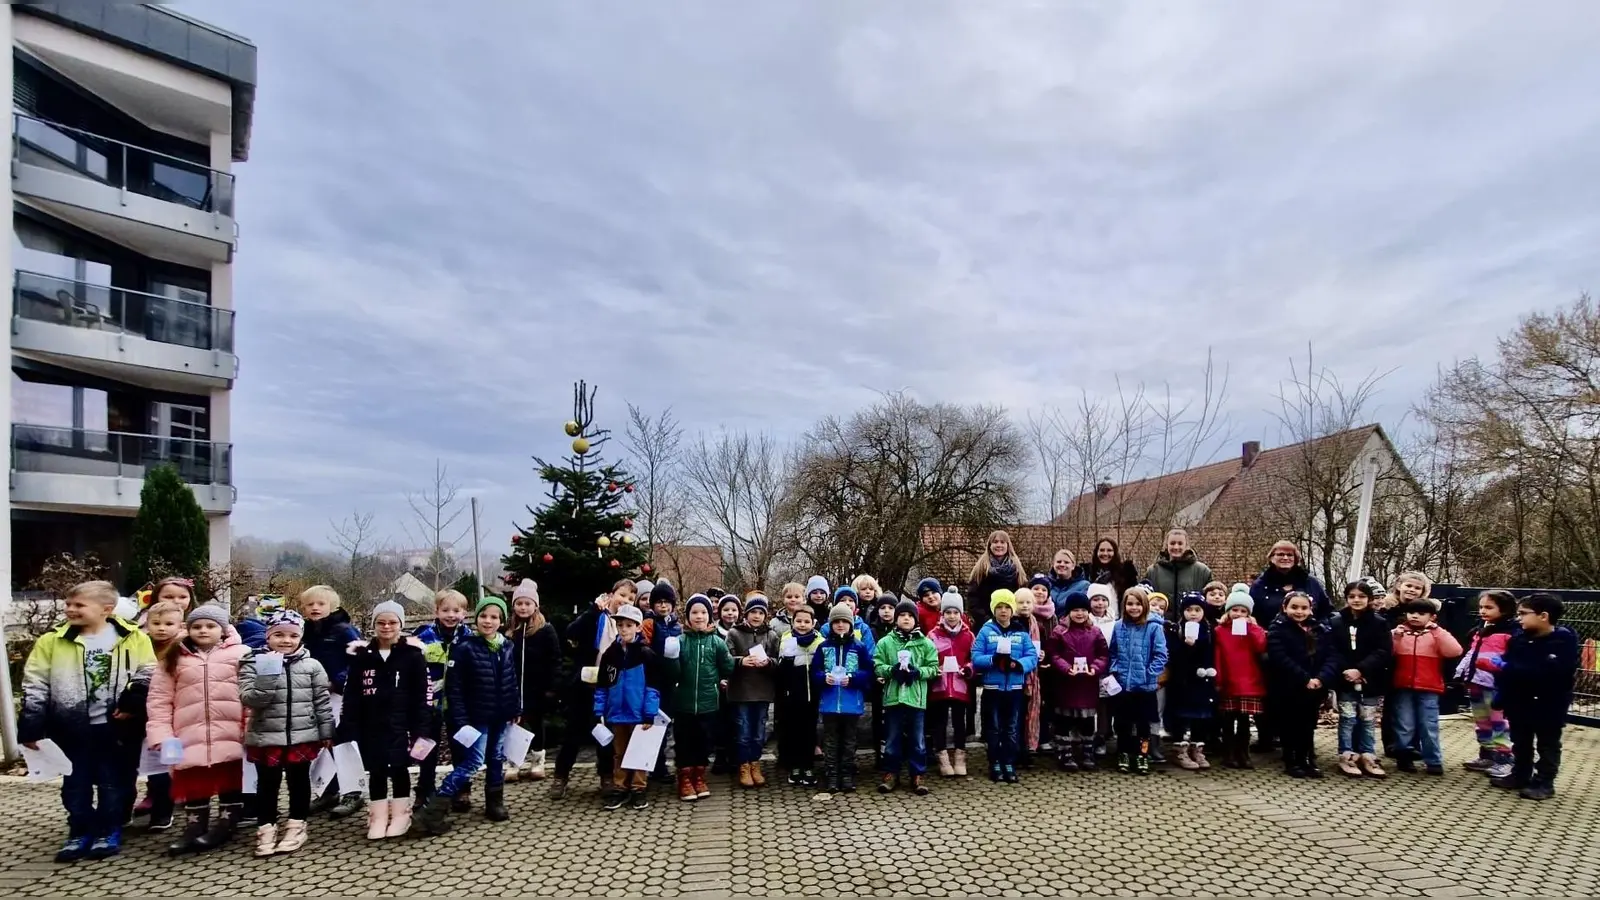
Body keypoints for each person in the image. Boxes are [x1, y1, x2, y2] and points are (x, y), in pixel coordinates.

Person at [20, 580, 156, 863]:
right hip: (71, 730)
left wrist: (132, 705)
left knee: (114, 782)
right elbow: (35, 684)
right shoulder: (52, 641)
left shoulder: (134, 637)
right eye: (68, 604)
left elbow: (148, 673)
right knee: (75, 784)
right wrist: (31, 727)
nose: (70, 609)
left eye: (79, 605)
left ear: (106, 609)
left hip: (116, 728)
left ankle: (109, 828)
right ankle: (79, 830)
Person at [147, 604, 250, 854]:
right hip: (188, 732)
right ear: (188, 629)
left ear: (223, 629)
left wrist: (251, 727)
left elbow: (251, 694)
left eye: (210, 626)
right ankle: (194, 826)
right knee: (194, 781)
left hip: (230, 730)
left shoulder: (242, 653)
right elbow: (159, 699)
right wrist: (161, 734)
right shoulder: (174, 657)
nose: (203, 631)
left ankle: (227, 821)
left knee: (230, 778)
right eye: (197, 626)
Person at [417, 596, 519, 834]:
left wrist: (515, 708)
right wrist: (462, 720)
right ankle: (434, 808)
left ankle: (495, 802)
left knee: (496, 758)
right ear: (476, 618)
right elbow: (455, 689)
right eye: (483, 616)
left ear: (501, 621)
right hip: (477, 717)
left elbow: (511, 680)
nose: (488, 621)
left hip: (500, 715)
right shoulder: (466, 648)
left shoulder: (507, 646)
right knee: (473, 761)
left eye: (494, 617)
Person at [239, 609, 335, 857]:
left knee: (299, 782)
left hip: (301, 736)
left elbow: (321, 701)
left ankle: (297, 824)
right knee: (267, 784)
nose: (285, 640)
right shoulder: (252, 662)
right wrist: (269, 673)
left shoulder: (312, 665)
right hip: (266, 735)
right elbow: (250, 698)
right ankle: (266, 826)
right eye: (278, 634)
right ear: (268, 637)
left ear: (300, 638)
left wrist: (327, 732)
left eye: (292, 635)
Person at [338, 600, 429, 840]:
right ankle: (378, 814)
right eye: (381, 622)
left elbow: (421, 695)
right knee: (377, 770)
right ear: (374, 625)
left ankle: (401, 813)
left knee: (399, 768)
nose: (386, 627)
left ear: (400, 625)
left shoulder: (412, 656)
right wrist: (348, 724)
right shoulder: (362, 657)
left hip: (402, 724)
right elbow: (352, 694)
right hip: (371, 724)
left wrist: (421, 727)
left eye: (392, 622)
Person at [550, 579, 634, 797]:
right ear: (611, 594)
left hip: (610, 687)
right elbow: (572, 632)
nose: (625, 601)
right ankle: (561, 775)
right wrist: (593, 611)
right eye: (622, 595)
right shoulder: (597, 616)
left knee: (604, 733)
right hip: (585, 684)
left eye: (630, 599)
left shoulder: (628, 624)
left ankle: (606, 775)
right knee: (574, 732)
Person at [1491, 594, 1580, 801]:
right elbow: (1509, 666)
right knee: (1520, 740)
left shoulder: (1563, 640)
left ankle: (1544, 782)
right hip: (1519, 700)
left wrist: (1509, 668)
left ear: (1543, 616)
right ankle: (1520, 774)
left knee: (1547, 743)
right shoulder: (1519, 639)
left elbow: (1551, 671)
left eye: (1523, 614)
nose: (1519, 618)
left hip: (1549, 702)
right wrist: (1501, 691)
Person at [1247, 542, 1330, 751]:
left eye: (1289, 555)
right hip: (1271, 646)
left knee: (1303, 696)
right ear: (1271, 557)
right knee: (1271, 695)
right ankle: (1268, 736)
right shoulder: (1260, 584)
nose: (1285, 558)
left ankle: (1300, 743)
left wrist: (1321, 630)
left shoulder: (1310, 583)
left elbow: (1327, 611)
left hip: (1307, 646)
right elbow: (1250, 612)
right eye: (1280, 554)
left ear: (1296, 558)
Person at [296, 585, 363, 819]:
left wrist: (337, 682)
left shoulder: (344, 630)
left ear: (332, 606)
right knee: (321, 745)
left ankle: (353, 790)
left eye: (321, 604)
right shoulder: (303, 632)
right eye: (310, 604)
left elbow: (358, 660)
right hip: (311, 696)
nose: (315, 608)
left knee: (342, 741)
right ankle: (328, 789)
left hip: (339, 695)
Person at [594, 604, 665, 811]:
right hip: (616, 713)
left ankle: (638, 787)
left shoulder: (645, 654)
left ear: (638, 627)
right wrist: (599, 711)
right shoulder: (610, 654)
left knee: (640, 751)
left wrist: (649, 713)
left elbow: (653, 687)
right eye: (620, 625)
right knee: (619, 752)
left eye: (628, 625)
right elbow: (602, 686)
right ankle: (620, 786)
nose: (623, 629)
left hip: (639, 714)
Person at [413, 589, 475, 806]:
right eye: (445, 610)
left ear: (464, 613)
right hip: (430, 702)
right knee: (427, 747)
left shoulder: (470, 638)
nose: (451, 615)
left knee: (461, 746)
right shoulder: (423, 637)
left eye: (456, 610)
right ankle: (424, 789)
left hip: (459, 704)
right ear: (436, 611)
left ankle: (461, 788)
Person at [671, 594, 735, 801]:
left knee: (704, 741)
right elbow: (673, 673)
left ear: (710, 616)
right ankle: (685, 778)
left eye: (703, 612)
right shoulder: (680, 641)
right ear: (688, 617)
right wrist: (670, 659)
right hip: (684, 703)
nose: (699, 617)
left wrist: (724, 675)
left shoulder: (717, 642)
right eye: (694, 613)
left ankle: (699, 776)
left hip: (709, 703)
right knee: (684, 741)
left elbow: (727, 667)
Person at [1266, 592, 1336, 778]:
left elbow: (1331, 655)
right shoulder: (1277, 628)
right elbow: (1280, 657)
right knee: (1290, 724)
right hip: (1290, 685)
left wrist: (1321, 678)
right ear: (1284, 608)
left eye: (1304, 608)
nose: (1299, 611)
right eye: (1294, 607)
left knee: (1308, 724)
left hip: (1315, 686)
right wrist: (1304, 678)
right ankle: (1291, 760)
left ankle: (1306, 759)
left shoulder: (1320, 628)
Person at [1389, 599, 1463, 775]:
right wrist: (1394, 637)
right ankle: (1404, 757)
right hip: (1403, 685)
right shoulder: (1399, 632)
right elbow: (1387, 651)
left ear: (1432, 617)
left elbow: (1455, 650)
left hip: (1429, 686)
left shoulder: (1436, 634)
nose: (1415, 616)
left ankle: (1433, 760)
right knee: (1404, 723)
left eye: (1421, 614)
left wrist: (1436, 631)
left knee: (1429, 724)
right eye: (1411, 612)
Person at [873, 599, 938, 795]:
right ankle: (891, 773)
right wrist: (891, 670)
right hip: (893, 699)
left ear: (916, 620)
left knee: (917, 740)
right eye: (902, 615)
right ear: (896, 619)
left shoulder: (926, 643)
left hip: (916, 699)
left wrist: (918, 672)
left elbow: (934, 668)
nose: (906, 619)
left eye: (910, 616)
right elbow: (877, 665)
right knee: (892, 739)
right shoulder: (885, 642)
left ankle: (917, 774)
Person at [972, 589, 1037, 783]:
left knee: (1011, 728)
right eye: (999, 607)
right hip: (993, 689)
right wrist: (993, 659)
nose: (1003, 611)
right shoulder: (986, 631)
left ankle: (1009, 762)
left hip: (1015, 689)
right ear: (993, 609)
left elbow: (1031, 656)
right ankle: (995, 763)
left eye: (1007, 607)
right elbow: (975, 657)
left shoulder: (1020, 631)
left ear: (1012, 610)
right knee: (993, 728)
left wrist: (1019, 665)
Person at [133, 600, 185, 831]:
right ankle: (154, 805)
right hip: (145, 716)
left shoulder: (183, 648)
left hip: (174, 717)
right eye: (156, 623)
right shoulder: (140, 645)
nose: (161, 628)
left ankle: (165, 810)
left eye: (168, 623)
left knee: (169, 766)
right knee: (153, 766)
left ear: (180, 624)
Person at [1331, 580, 1392, 778]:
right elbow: (1333, 649)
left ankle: (1368, 754)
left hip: (1370, 679)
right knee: (1347, 719)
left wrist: (1361, 670)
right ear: (1346, 598)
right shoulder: (1336, 622)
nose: (1356, 600)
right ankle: (1347, 755)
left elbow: (1383, 650)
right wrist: (1347, 670)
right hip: (1345, 679)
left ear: (1370, 599)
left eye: (1362, 596)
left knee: (1367, 719)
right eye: (1352, 596)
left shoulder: (1379, 623)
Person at [812, 602, 874, 794]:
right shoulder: (823, 647)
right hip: (830, 703)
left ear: (850, 624)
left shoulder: (859, 647)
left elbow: (868, 671)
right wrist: (824, 678)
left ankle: (847, 773)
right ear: (831, 624)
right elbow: (814, 672)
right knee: (830, 739)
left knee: (849, 739)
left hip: (851, 703)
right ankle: (831, 774)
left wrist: (854, 679)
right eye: (836, 621)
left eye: (844, 621)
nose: (840, 625)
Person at [1456, 590, 1518, 778]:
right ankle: (1487, 754)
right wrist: (1461, 672)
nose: (1483, 611)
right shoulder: (1480, 630)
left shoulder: (1511, 633)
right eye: (1481, 607)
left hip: (1495, 684)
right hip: (1476, 682)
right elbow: (1471, 653)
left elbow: (1513, 660)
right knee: (1482, 721)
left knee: (1499, 722)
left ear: (1505, 610)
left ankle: (1505, 759)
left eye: (1489, 607)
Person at [1045, 591, 1109, 772]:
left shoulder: (1095, 632)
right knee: (1063, 720)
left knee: (1088, 721)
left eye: (1083, 610)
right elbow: (1053, 654)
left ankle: (1088, 751)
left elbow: (1103, 654)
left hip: (1087, 684)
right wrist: (1065, 668)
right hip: (1066, 683)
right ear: (1068, 612)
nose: (1079, 614)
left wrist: (1095, 668)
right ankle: (1064, 752)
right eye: (1075, 610)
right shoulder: (1059, 631)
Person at [1107, 586, 1167, 776]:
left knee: (1143, 724)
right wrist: (1115, 669)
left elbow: (1161, 655)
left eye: (1138, 604)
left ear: (1145, 606)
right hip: (1124, 685)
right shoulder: (1119, 626)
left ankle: (1142, 754)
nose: (1134, 608)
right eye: (1130, 604)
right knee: (1123, 723)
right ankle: (1123, 753)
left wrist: (1149, 674)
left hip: (1145, 686)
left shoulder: (1154, 627)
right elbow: (1113, 652)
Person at [504, 580, 559, 783]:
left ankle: (538, 760)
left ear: (535, 605)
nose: (523, 607)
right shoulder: (510, 630)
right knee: (513, 724)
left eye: (527, 603)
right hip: (513, 687)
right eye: (520, 603)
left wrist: (552, 687)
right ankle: (513, 762)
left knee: (536, 723)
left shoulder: (546, 630)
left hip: (537, 687)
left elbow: (555, 659)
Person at [725, 593, 782, 788]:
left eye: (760, 612)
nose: (756, 616)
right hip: (741, 692)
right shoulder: (734, 633)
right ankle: (743, 765)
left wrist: (768, 662)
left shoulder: (772, 635)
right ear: (746, 614)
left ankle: (755, 764)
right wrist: (741, 661)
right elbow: (725, 660)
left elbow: (779, 662)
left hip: (763, 692)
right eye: (753, 612)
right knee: (742, 731)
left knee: (759, 731)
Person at [1213, 586, 1267, 769]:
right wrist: (1219, 679)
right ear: (1228, 611)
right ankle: (1228, 753)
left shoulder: (1254, 629)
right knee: (1228, 720)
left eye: (1243, 611)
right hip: (1229, 680)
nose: (1238, 614)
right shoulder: (1220, 630)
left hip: (1249, 680)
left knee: (1244, 721)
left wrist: (1251, 627)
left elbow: (1261, 646)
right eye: (1235, 610)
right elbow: (1218, 656)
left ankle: (1243, 753)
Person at [1166, 593, 1218, 770]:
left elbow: (1212, 652)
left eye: (1197, 610)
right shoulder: (1177, 630)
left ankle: (1197, 748)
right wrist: (1186, 646)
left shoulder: (1209, 630)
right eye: (1189, 610)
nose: (1193, 614)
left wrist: (1209, 669)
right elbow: (1173, 656)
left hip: (1203, 679)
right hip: (1183, 680)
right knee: (1182, 715)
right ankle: (1179, 748)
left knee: (1201, 717)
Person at [926, 590, 974, 777]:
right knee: (940, 722)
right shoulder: (932, 635)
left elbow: (974, 658)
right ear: (942, 614)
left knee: (959, 722)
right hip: (940, 686)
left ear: (961, 613)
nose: (952, 616)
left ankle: (960, 757)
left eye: (955, 612)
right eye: (948, 612)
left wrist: (968, 668)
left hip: (960, 685)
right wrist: (933, 669)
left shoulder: (968, 635)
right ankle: (943, 757)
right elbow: (927, 657)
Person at [776, 606, 824, 786]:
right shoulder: (786, 639)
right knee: (793, 731)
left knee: (809, 731)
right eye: (798, 621)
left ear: (813, 623)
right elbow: (780, 670)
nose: (802, 625)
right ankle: (795, 766)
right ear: (792, 622)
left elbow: (822, 666)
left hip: (812, 695)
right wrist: (787, 662)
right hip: (792, 695)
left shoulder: (820, 641)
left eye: (806, 621)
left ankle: (808, 766)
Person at [711, 594, 744, 775]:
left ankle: (735, 756)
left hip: (738, 684)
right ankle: (720, 755)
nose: (730, 613)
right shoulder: (713, 632)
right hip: (719, 685)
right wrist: (720, 679)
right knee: (720, 722)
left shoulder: (742, 632)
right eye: (726, 610)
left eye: (733, 610)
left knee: (736, 721)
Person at [966, 530, 1027, 626]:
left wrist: (1014, 618)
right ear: (989, 546)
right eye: (995, 542)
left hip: (1012, 623)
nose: (999, 545)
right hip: (986, 624)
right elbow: (973, 599)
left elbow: (1023, 596)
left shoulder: (1017, 570)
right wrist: (985, 619)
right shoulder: (981, 569)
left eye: (1002, 542)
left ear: (1008, 546)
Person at [1143, 529, 1215, 602]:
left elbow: (1212, 601)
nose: (1176, 547)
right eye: (1172, 543)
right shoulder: (1153, 571)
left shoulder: (1202, 572)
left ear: (1186, 545)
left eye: (1180, 543)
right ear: (1166, 545)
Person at [1082, 537, 1140, 603]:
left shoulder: (1126, 573)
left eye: (1109, 550)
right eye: (1102, 550)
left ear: (1115, 552)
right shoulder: (1088, 573)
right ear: (1096, 552)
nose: (1105, 554)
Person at [1046, 550, 1091, 618]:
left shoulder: (1084, 586)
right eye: (1059, 562)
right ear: (1053, 564)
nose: (1062, 564)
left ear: (1073, 566)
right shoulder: (1045, 584)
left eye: (1066, 562)